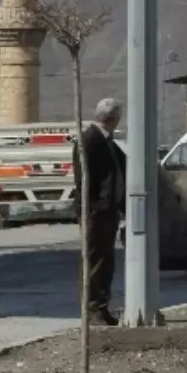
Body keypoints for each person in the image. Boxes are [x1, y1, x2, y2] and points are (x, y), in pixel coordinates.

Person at [75, 98, 128, 326]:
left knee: (106, 261)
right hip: (96, 213)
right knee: (96, 260)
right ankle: (93, 308)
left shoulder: (107, 141)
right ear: (114, 117)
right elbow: (84, 180)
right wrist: (95, 208)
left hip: (107, 212)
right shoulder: (90, 140)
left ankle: (102, 306)